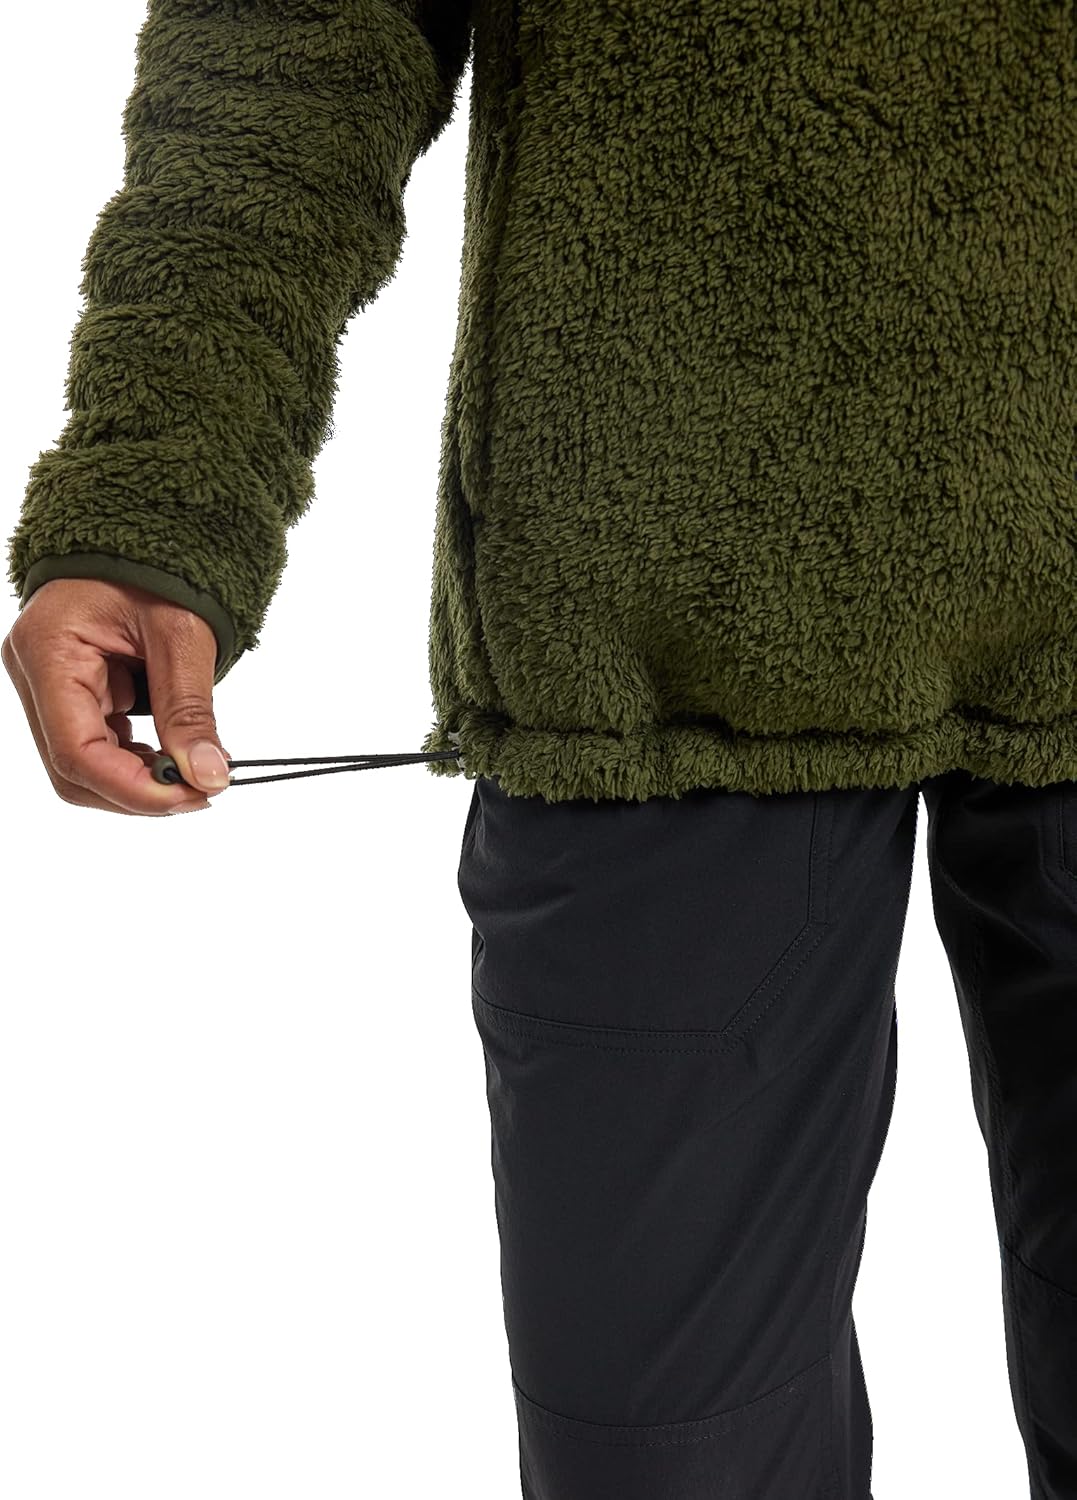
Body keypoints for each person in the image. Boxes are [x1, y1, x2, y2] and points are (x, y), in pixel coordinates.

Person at [4, 3, 1075, 1496]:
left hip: (649, 611)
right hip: (655, 630)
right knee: (664, 1454)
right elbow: (294, 35)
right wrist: (158, 487)